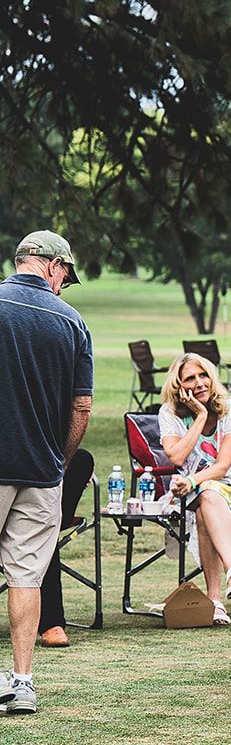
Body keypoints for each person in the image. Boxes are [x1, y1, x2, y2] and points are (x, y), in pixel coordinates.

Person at [1, 231, 94, 715]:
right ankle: (22, 683)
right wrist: (60, 459)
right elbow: (82, 406)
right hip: (42, 473)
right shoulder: (73, 322)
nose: (64, 286)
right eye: (66, 276)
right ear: (53, 265)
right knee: (25, 578)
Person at [159, 352, 231, 626]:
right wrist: (200, 416)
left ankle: (217, 596)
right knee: (205, 498)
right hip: (190, 494)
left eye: (203, 375)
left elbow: (222, 467)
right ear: (178, 386)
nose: (199, 383)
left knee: (207, 498)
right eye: (190, 378)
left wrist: (193, 481)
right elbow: (176, 457)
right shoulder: (169, 414)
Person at [35, 450, 95, 648]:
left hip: (37, 491)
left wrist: (64, 464)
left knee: (81, 459)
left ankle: (51, 623)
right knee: (41, 529)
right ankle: (51, 622)